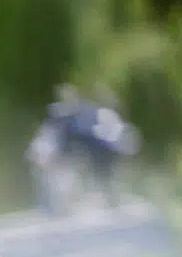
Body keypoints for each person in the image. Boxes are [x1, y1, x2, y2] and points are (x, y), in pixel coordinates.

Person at [27, 83, 141, 213]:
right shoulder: (57, 121)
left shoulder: (95, 115)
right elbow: (43, 146)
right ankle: (61, 205)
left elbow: (114, 136)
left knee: (95, 177)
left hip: (90, 157)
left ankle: (105, 197)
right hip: (67, 161)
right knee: (61, 184)